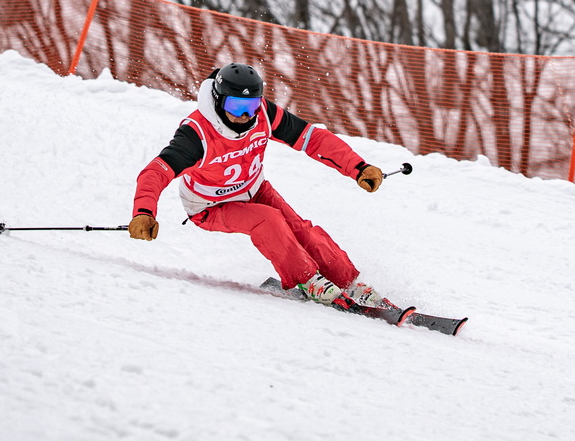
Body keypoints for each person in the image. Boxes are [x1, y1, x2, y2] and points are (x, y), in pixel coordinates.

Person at [128, 62, 387, 309]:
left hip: (255, 189)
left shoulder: (263, 113)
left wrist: (358, 167)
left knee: (300, 229)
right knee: (269, 221)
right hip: (211, 205)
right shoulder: (197, 134)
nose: (243, 115)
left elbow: (311, 138)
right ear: (218, 100)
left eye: (250, 106)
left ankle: (347, 282)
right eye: (236, 105)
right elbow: (155, 172)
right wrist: (144, 212)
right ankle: (307, 279)